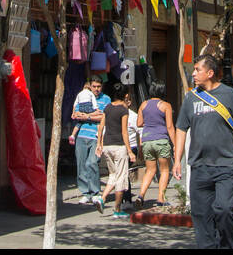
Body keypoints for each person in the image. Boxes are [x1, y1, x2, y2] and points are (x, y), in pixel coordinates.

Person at [172, 54, 233, 249]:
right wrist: (177, 160)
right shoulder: (191, 98)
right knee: (201, 216)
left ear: (210, 73)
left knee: (224, 209)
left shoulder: (229, 95)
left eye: (197, 69)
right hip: (199, 167)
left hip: (226, 165)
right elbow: (181, 128)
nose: (193, 73)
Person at [95, 83, 135, 217]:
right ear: (125, 96)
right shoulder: (124, 110)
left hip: (107, 145)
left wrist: (99, 143)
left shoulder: (107, 107)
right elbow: (125, 132)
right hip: (119, 146)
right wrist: (129, 150)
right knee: (121, 178)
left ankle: (102, 198)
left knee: (113, 175)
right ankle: (117, 210)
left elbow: (101, 127)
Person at [137, 83, 175, 207]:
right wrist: (175, 144)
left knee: (150, 170)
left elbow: (139, 123)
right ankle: (160, 198)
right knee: (164, 170)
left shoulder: (144, 104)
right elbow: (169, 126)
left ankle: (141, 195)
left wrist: (150, 122)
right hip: (161, 140)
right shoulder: (166, 106)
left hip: (147, 140)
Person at [71, 78, 109, 204]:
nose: (96, 89)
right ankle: (85, 192)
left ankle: (95, 192)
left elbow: (103, 117)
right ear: (90, 86)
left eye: (99, 86)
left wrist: (87, 116)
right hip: (81, 134)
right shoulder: (83, 96)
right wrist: (92, 116)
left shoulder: (106, 99)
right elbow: (75, 114)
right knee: (81, 164)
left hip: (96, 136)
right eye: (94, 86)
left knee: (92, 163)